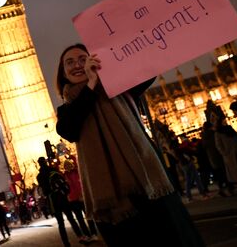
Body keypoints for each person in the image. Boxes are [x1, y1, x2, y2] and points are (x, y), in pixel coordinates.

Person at [55, 42, 206, 246]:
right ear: (63, 73)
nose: (77, 65)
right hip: (112, 197)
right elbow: (69, 129)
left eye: (83, 59)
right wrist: (91, 83)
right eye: (69, 62)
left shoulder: (118, 87)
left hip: (147, 181)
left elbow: (148, 70)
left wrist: (114, 61)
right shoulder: (67, 110)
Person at [36, 157, 89, 246]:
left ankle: (66, 243)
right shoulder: (52, 170)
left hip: (52, 200)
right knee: (71, 218)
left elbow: (43, 191)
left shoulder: (39, 176)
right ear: (45, 162)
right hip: (62, 197)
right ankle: (81, 236)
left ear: (39, 164)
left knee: (60, 223)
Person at [63, 158, 98, 241]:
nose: (68, 167)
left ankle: (94, 233)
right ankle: (87, 234)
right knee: (80, 219)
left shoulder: (77, 172)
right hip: (72, 200)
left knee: (89, 216)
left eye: (69, 165)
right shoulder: (64, 176)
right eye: (66, 166)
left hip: (82, 197)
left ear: (72, 165)